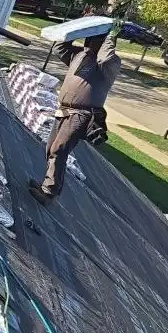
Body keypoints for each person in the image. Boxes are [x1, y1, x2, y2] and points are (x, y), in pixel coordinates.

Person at [29, 26, 120, 203]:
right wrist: (72, 31)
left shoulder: (109, 64)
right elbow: (59, 49)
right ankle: (46, 184)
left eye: (96, 38)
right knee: (51, 149)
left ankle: (49, 192)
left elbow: (105, 57)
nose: (91, 41)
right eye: (90, 38)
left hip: (82, 113)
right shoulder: (80, 55)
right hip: (64, 110)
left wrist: (111, 37)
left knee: (59, 150)